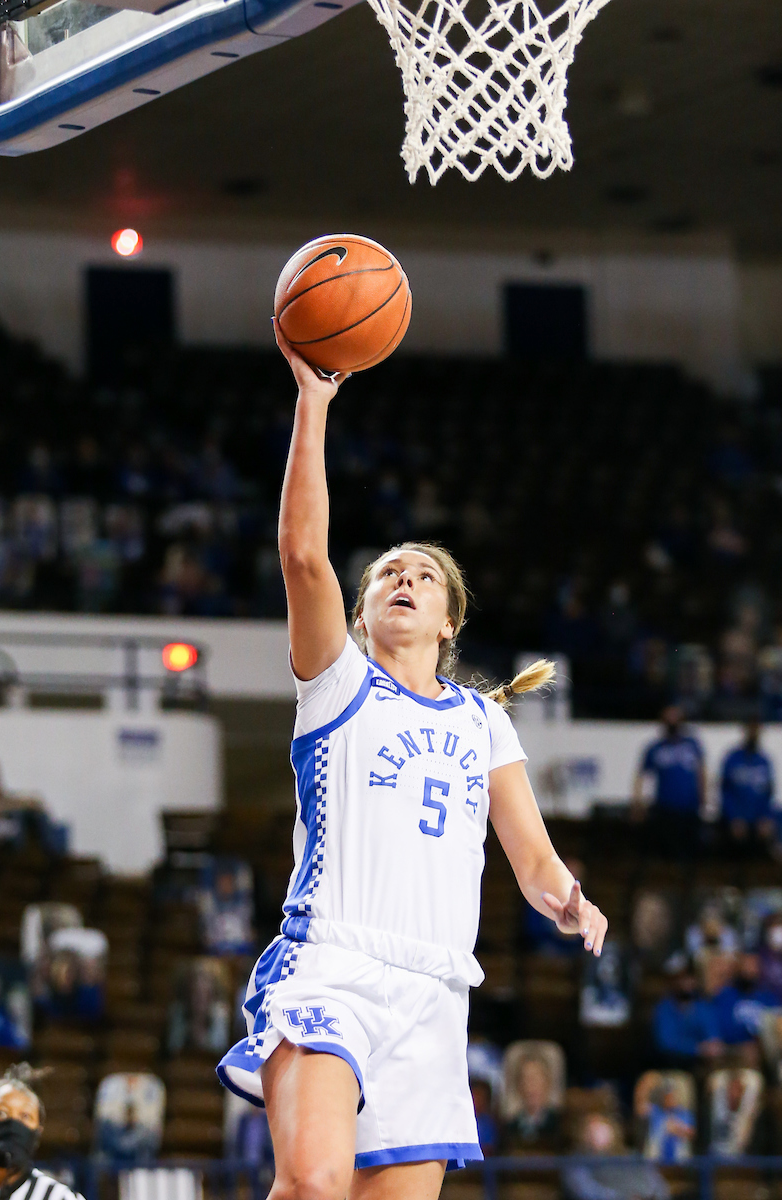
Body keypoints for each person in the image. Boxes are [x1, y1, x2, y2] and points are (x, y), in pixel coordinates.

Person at [217, 328, 609, 1200]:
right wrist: (313, 403)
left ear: (449, 622)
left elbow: (533, 859)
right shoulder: (337, 683)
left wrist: (566, 896)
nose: (403, 577)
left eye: (423, 577)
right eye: (387, 573)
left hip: (434, 995)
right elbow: (302, 556)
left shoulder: (482, 720)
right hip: (334, 964)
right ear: (360, 618)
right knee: (313, 1184)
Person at [0, 1063, 85, 1199]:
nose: (12, 1124)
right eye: (1, 1113)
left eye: (25, 1116)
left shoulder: (59, 1197)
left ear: (38, 1132)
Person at [632, 706, 705, 859]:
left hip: (689, 809)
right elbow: (641, 776)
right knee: (666, 854)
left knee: (690, 854)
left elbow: (701, 772)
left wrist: (703, 797)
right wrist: (638, 802)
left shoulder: (692, 745)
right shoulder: (656, 748)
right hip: (665, 810)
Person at [562, 1112, 669, 1200]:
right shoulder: (576, 1161)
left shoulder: (629, 1156)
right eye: (592, 1130)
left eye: (601, 1129)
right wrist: (625, 1197)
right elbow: (585, 1191)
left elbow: (655, 1182)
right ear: (583, 1135)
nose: (598, 1134)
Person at [652, 960, 724, 1068]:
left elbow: (713, 1037)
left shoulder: (703, 1006)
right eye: (682, 978)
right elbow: (666, 1043)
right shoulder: (664, 1008)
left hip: (699, 1066)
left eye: (690, 978)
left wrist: (711, 1046)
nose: (687, 983)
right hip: (669, 1066)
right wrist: (697, 1048)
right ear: (674, 981)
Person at [720, 723, 776, 856]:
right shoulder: (733, 759)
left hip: (758, 822)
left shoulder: (764, 761)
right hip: (736, 821)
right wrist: (734, 817)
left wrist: (766, 817)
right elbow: (725, 791)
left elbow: (768, 793)